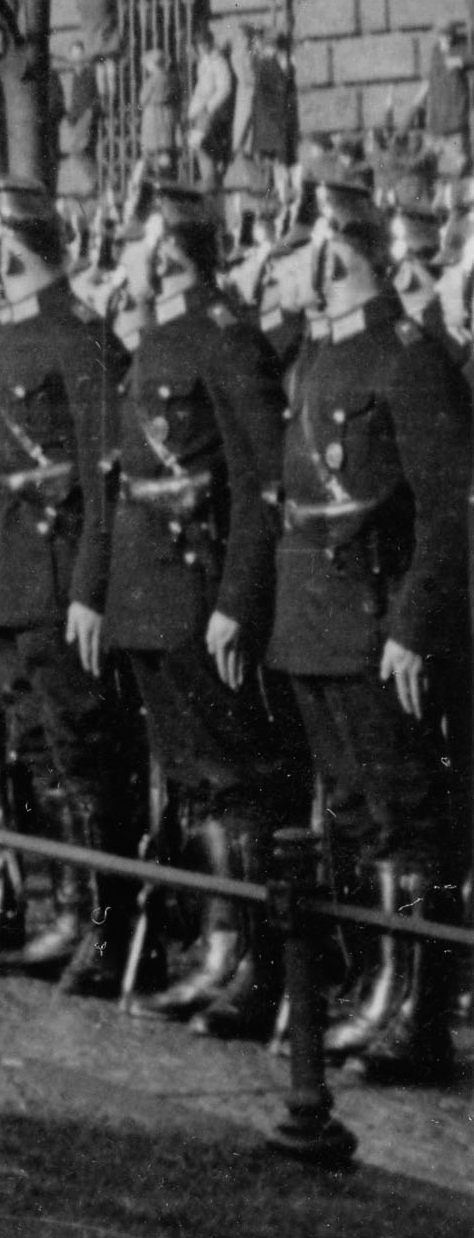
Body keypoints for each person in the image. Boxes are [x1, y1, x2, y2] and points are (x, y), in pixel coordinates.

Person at [266, 179, 468, 1083]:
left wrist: (413, 627)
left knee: (404, 822)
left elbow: (449, 509)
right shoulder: (314, 355)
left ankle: (414, 1012)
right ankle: (369, 991)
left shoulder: (406, 355)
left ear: (333, 250)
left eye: (300, 244)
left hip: (374, 623)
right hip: (312, 625)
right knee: (350, 818)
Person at [91, 181, 299, 1037]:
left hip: (197, 596)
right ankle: (216, 951)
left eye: (136, 240)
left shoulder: (223, 338)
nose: (125, 255)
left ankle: (249, 966)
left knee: (232, 782)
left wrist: (237, 601)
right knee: (189, 782)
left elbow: (260, 485)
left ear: (169, 248)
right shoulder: (159, 335)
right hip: (149, 594)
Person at [0, 182, 138, 994]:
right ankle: (66, 910)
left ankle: (104, 926)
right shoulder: (12, 335)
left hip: (58, 575)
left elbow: (104, 478)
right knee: (38, 752)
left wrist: (90, 589)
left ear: (9, 249)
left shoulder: (77, 336)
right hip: (8, 576)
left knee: (82, 752)